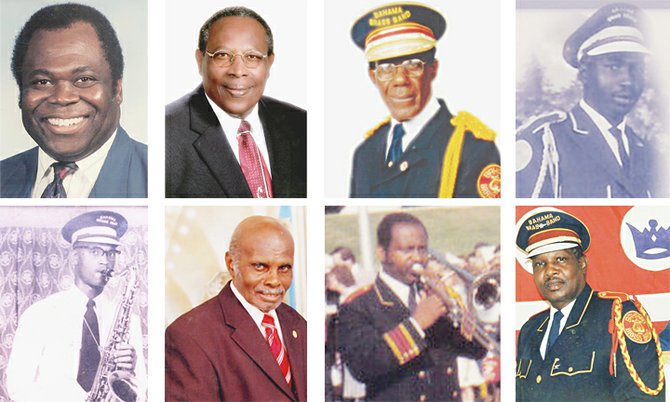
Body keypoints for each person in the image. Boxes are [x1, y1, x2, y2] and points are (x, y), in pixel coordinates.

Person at [348, 3, 500, 198]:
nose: (400, 79)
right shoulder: (365, 152)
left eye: (412, 65)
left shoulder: (472, 148)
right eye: (386, 68)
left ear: (433, 69)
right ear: (373, 76)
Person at [515, 208, 665, 401]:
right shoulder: (530, 329)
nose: (549, 271)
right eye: (539, 264)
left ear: (582, 263)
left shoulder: (617, 317)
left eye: (560, 259)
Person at [0, 3, 147, 198]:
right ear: (21, 93)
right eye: (42, 81)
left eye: (84, 80)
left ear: (117, 90)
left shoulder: (160, 176)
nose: (62, 98)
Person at [337, 212, 487, 401]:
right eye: (407, 250)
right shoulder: (359, 306)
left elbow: (478, 350)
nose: (417, 257)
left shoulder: (435, 296)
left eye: (422, 249)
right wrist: (416, 324)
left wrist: (457, 316)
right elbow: (362, 367)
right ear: (382, 253)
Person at [516, 3, 658, 198]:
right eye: (614, 66)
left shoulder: (650, 155)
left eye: (636, 69)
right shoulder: (546, 143)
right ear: (584, 74)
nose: (627, 80)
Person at [165, 6, 307, 198]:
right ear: (200, 60)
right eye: (223, 55)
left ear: (269, 63)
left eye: (252, 57)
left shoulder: (301, 124)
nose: (238, 71)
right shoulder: (166, 134)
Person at [6, 210, 147, 402]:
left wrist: (130, 372)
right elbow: (17, 388)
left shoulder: (130, 320)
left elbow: (141, 393)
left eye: (111, 253)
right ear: (74, 257)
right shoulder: (39, 314)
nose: (105, 261)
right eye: (95, 251)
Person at [165, 216, 307, 401]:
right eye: (260, 266)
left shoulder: (296, 323)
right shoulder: (189, 336)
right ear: (232, 264)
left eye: (284, 268)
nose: (274, 280)